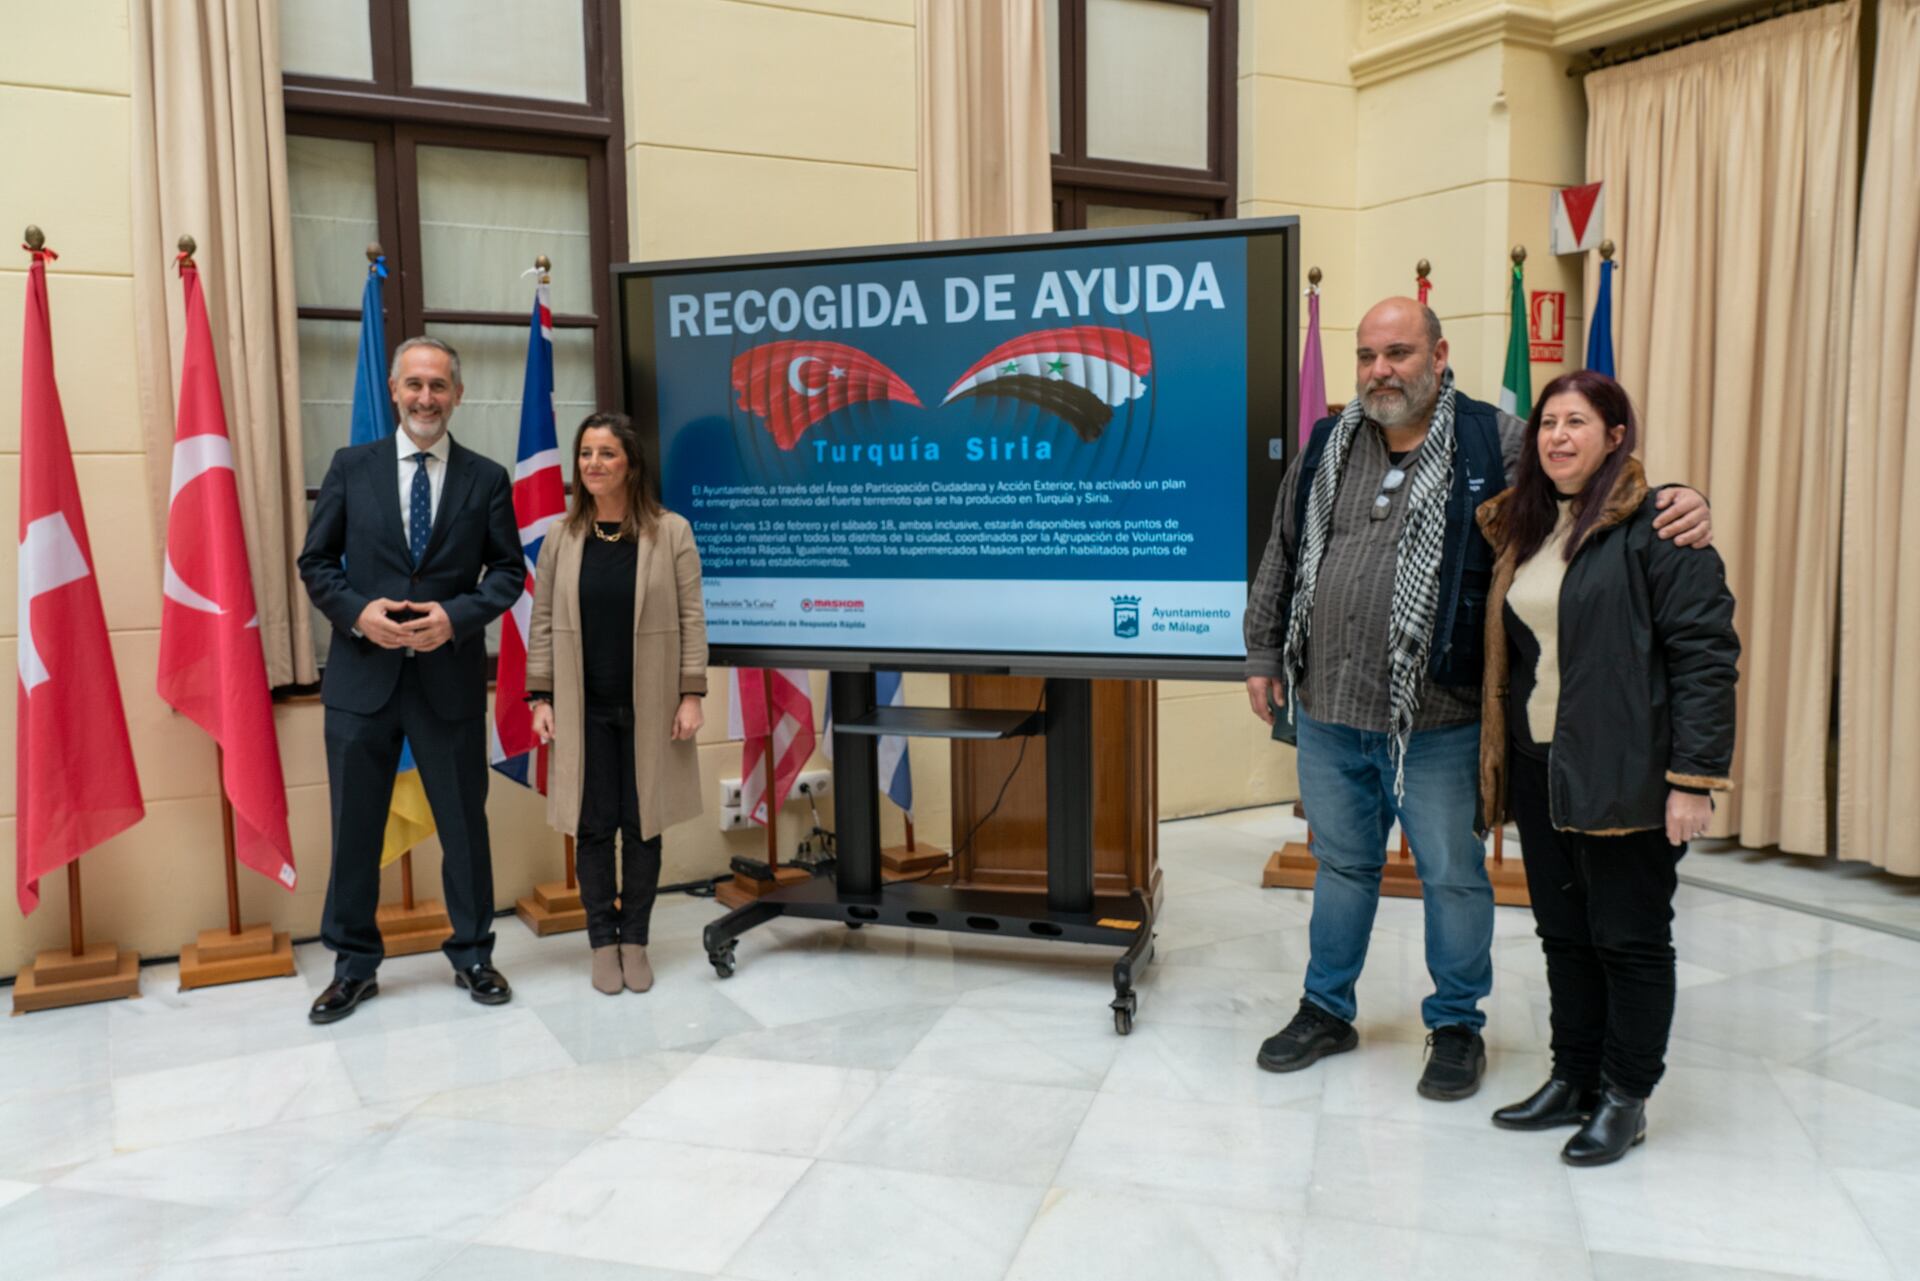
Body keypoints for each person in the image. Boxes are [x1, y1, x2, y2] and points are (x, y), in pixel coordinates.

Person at [1242, 297, 1712, 1100]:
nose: (1381, 370)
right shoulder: (1328, 440)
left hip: (1443, 714)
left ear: (1439, 354)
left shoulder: (1495, 438)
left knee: (1454, 875)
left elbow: (1592, 482)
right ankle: (1326, 1007)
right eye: (1367, 356)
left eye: (1398, 352)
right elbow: (1284, 544)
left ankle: (1457, 1022)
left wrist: (1682, 499)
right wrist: (1262, 648)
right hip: (1328, 705)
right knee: (1342, 866)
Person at [1477, 372, 1736, 1165]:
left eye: (1577, 422)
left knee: (1629, 939)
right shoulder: (1524, 526)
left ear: (1616, 435)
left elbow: (1705, 657)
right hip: (1541, 766)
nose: (1557, 436)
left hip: (1628, 774)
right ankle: (1574, 1076)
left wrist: (1693, 778)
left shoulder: (1662, 528)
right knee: (1564, 935)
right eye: (1548, 422)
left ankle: (1626, 1096)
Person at [298, 336, 522, 1024]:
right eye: (415, 385)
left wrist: (454, 618)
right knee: (356, 832)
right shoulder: (351, 466)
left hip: (447, 681)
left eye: (440, 386)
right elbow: (316, 563)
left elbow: (509, 573)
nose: (426, 397)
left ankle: (475, 953)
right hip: (362, 683)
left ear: (458, 395)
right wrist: (359, 613)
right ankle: (354, 967)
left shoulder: (486, 479)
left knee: (464, 829)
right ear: (394, 391)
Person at [525, 412, 708, 996]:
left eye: (606, 454)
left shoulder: (670, 531)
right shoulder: (562, 535)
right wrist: (542, 694)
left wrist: (691, 692)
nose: (593, 465)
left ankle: (637, 940)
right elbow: (545, 621)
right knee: (593, 827)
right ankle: (603, 941)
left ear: (630, 463)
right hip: (583, 709)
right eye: (585, 454)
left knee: (644, 826)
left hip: (653, 708)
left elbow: (691, 616)